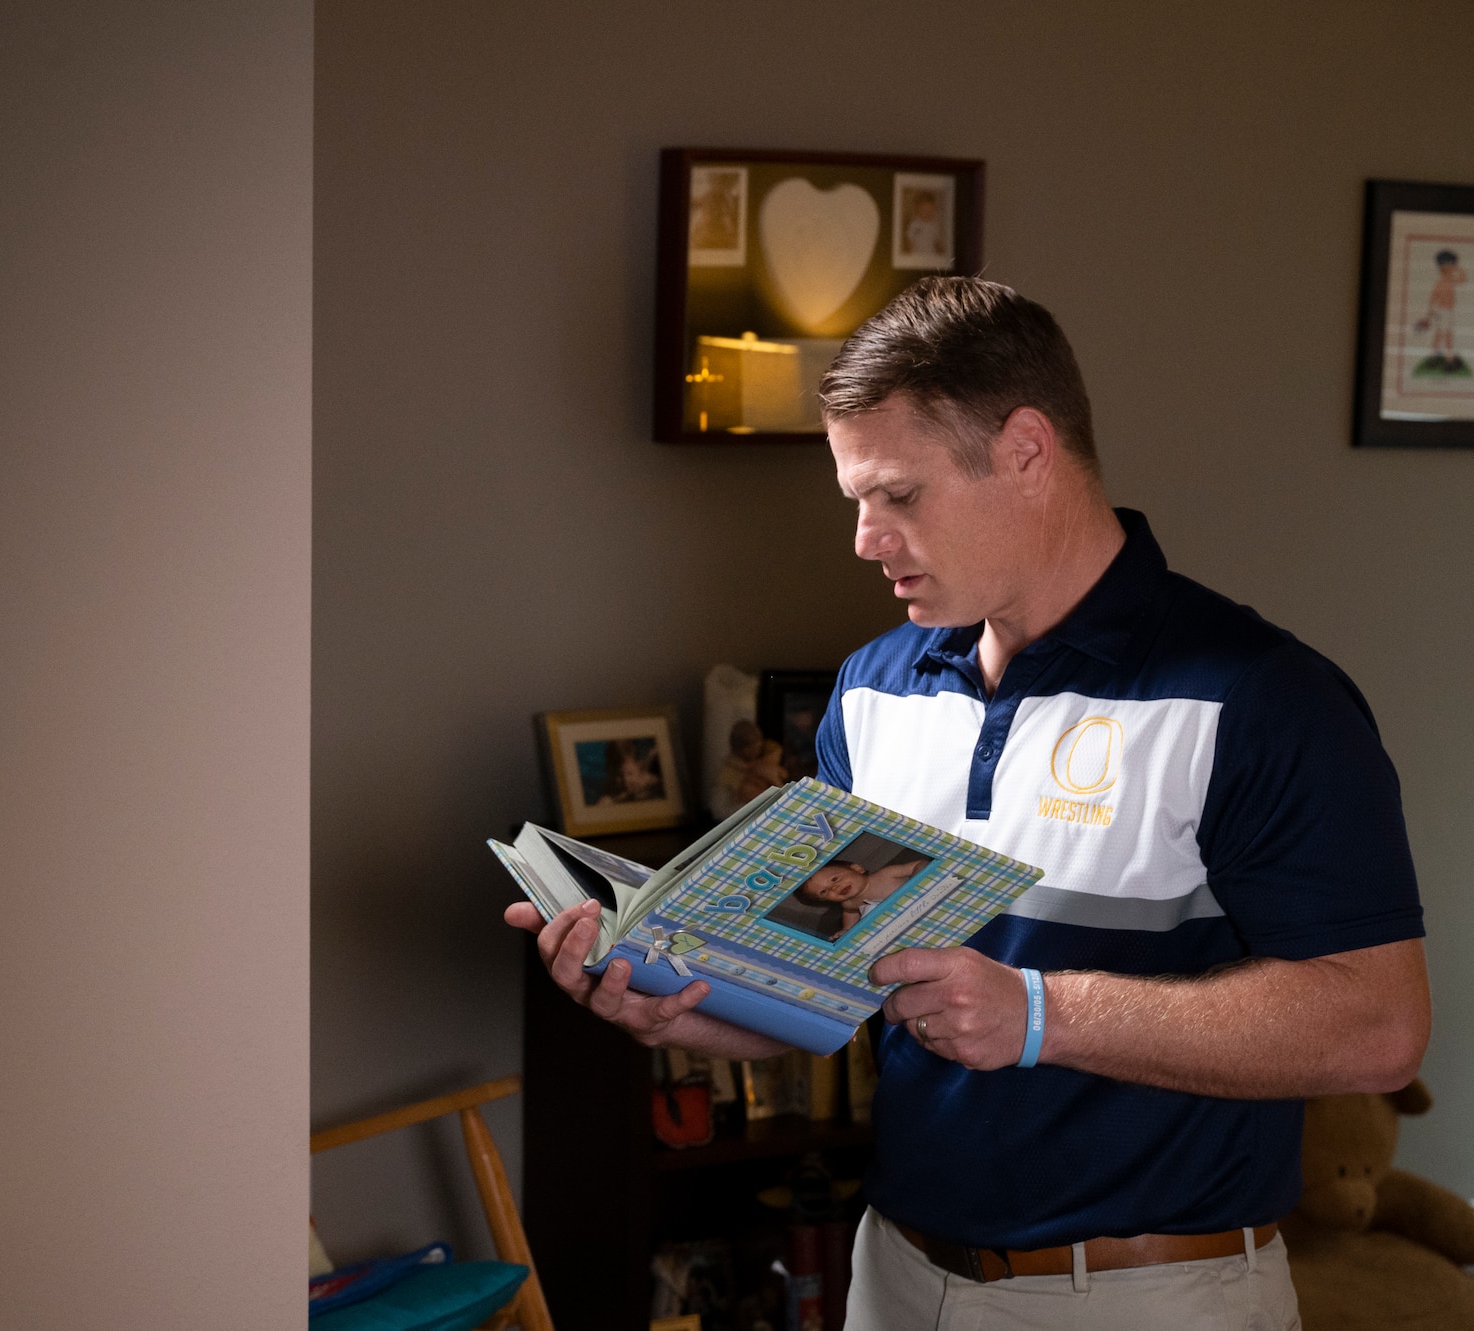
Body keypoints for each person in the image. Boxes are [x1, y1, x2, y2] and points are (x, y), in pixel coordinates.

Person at [506, 276, 1429, 1329]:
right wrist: (676, 1003)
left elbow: (1377, 1025)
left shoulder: (1259, 697)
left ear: (1027, 451)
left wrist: (1039, 1013)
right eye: (853, 498)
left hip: (1150, 1293)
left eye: (897, 495)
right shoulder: (871, 687)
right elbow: (829, 982)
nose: (863, 537)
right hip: (894, 1276)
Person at [793, 855, 925, 935]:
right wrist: (847, 929)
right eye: (824, 892)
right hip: (901, 921)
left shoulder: (886, 874)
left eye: (834, 879)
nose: (834, 888)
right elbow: (850, 914)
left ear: (857, 869)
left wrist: (920, 877)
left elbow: (918, 864)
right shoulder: (849, 903)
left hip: (921, 899)